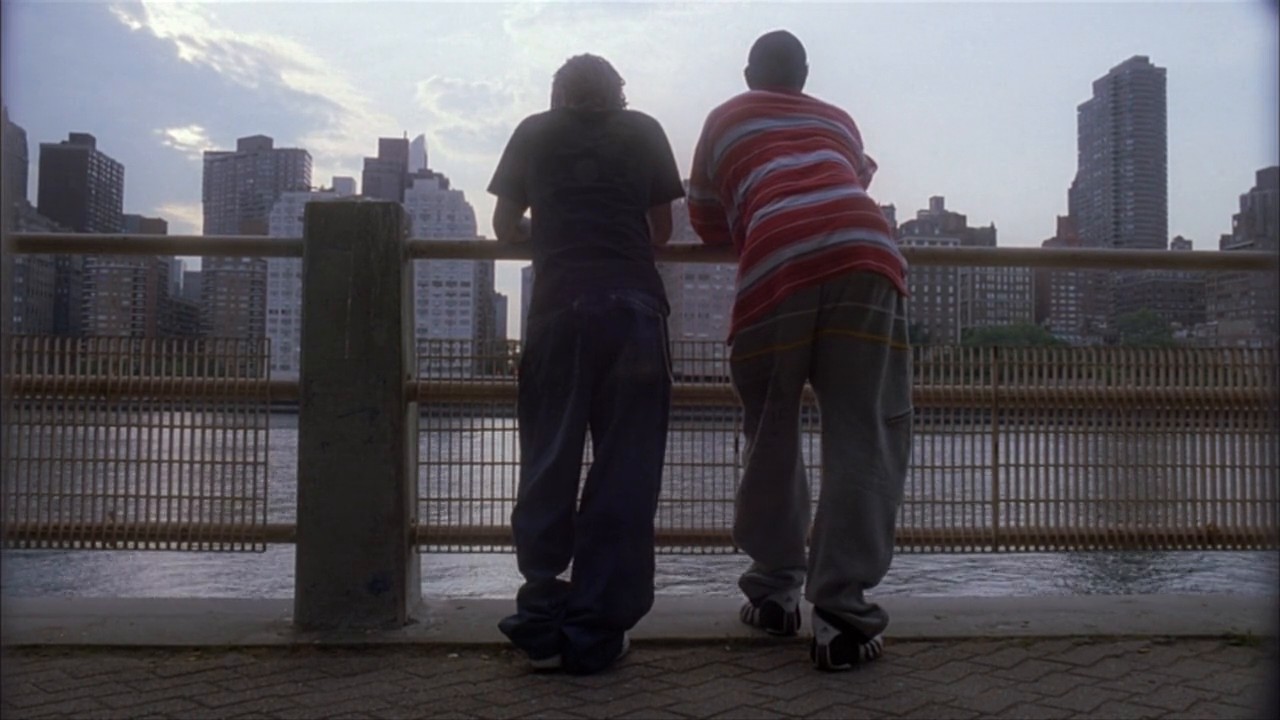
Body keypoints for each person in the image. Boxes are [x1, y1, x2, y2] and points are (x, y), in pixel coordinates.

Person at [688, 30, 912, 671]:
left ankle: (775, 594)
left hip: (776, 264)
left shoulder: (724, 118)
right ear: (806, 76)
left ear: (748, 74)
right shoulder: (839, 120)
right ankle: (841, 617)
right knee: (864, 430)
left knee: (771, 430)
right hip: (866, 252)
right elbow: (855, 178)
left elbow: (706, 221)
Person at [488, 54, 684, 675]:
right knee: (625, 473)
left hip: (558, 312)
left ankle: (542, 620)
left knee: (549, 461)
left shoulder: (533, 131)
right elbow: (661, 232)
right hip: (633, 311)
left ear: (557, 95)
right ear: (618, 94)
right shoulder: (645, 129)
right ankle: (596, 629)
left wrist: (548, 233)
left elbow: (503, 226)